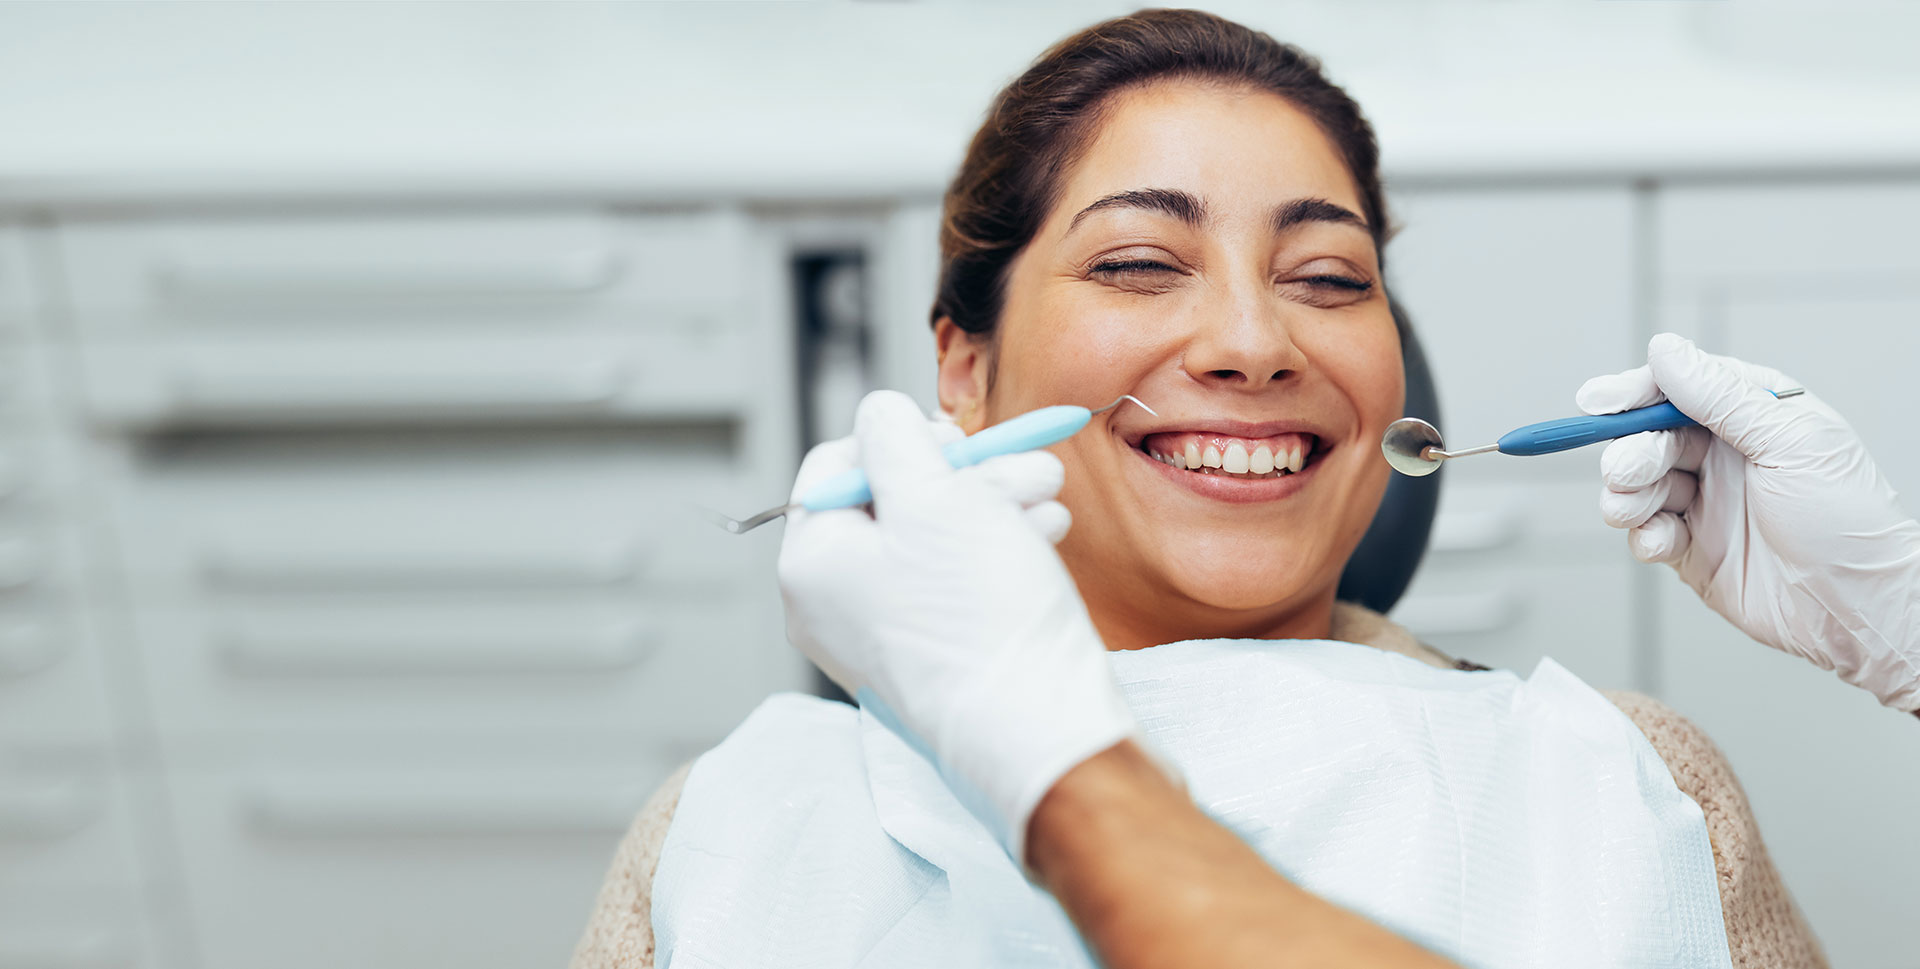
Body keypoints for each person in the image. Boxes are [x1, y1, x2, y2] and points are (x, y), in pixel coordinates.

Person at [570, 10, 1871, 968]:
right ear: (960, 367)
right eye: (1140, 261)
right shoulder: (730, 821)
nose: (1257, 341)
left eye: (1327, 276)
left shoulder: (1631, 779)